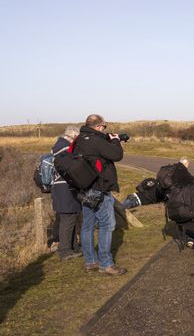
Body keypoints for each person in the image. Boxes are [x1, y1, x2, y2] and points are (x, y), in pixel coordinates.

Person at [73, 114, 127, 275]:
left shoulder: (79, 139)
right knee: (107, 225)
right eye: (104, 126)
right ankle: (106, 264)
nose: (105, 129)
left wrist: (109, 142)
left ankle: (90, 262)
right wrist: (116, 141)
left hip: (84, 188)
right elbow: (117, 155)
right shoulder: (96, 140)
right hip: (99, 188)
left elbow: (99, 154)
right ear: (97, 126)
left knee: (87, 225)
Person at [51, 126, 82, 260]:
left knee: (72, 218)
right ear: (73, 136)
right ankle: (65, 251)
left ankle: (73, 247)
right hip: (64, 189)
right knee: (67, 220)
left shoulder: (59, 146)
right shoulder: (63, 148)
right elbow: (71, 167)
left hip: (63, 189)